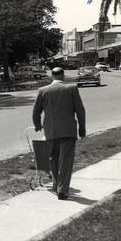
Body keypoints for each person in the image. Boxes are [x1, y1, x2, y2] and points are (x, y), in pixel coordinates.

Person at [32, 67, 86, 200]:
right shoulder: (72, 88)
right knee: (66, 161)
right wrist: (82, 128)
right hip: (68, 130)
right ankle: (62, 189)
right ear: (63, 76)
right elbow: (80, 110)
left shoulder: (43, 90)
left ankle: (57, 185)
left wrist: (38, 125)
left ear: (52, 76)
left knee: (53, 158)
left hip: (51, 131)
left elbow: (35, 112)